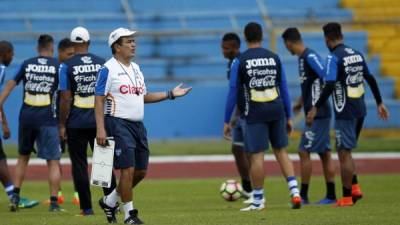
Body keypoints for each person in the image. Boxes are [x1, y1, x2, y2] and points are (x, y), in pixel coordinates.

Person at [95, 28, 191, 224]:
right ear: (116, 47)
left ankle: (110, 200)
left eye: (133, 41)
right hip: (117, 123)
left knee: (140, 172)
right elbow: (98, 99)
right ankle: (130, 215)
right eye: (128, 41)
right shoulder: (108, 69)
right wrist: (100, 128)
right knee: (127, 170)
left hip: (138, 125)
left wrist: (170, 94)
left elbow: (142, 96)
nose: (133, 44)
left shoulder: (136, 68)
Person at [306, 22, 389, 206]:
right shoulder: (356, 54)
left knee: (343, 153)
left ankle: (346, 197)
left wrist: (316, 107)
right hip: (360, 110)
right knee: (348, 152)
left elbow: (329, 85)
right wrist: (379, 102)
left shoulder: (334, 57)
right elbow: (370, 78)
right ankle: (355, 187)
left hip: (345, 111)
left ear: (327, 39)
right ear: (341, 35)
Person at [224, 22, 301, 211]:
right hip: (277, 110)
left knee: (257, 156)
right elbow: (283, 87)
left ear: (245, 37)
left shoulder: (239, 61)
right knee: (281, 152)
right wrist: (289, 116)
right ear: (262, 37)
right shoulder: (274, 58)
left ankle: (258, 200)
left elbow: (233, 92)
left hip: (255, 113)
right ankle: (295, 192)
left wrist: (227, 120)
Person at [0, 35, 62, 212]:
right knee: (53, 161)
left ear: (37, 48)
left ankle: (16, 197)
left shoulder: (27, 64)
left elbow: (10, 85)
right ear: (51, 48)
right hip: (48, 118)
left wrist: (0, 103)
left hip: (26, 117)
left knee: (22, 158)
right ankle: (54, 203)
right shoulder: (57, 66)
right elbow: (65, 94)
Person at [59, 27, 117, 215]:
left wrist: (62, 124)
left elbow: (65, 98)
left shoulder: (65, 66)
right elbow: (109, 94)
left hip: (76, 123)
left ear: (73, 44)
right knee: (104, 165)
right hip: (99, 121)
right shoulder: (102, 63)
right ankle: (112, 204)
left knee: (79, 166)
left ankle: (87, 208)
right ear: (88, 42)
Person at [281, 27, 337, 204]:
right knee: (325, 154)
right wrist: (300, 103)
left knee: (303, 151)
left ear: (289, 43)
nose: (287, 49)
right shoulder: (302, 59)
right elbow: (311, 85)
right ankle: (331, 195)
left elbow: (326, 78)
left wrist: (314, 107)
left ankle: (303, 195)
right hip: (317, 112)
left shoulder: (309, 56)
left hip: (318, 115)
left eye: (286, 45)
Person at [0, 41, 39, 209]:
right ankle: (14, 196)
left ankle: (13, 196)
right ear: (5, 53)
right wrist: (5, 125)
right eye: (11, 53)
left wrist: (5, 124)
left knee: (0, 158)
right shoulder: (1, 70)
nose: (12, 57)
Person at [221, 32, 252, 198]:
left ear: (236, 48)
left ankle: (256, 191)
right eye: (222, 47)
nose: (223, 51)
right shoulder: (230, 64)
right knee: (237, 149)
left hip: (249, 114)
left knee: (249, 152)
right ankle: (248, 189)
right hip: (240, 114)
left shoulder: (241, 62)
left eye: (226, 48)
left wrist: (231, 118)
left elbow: (244, 91)